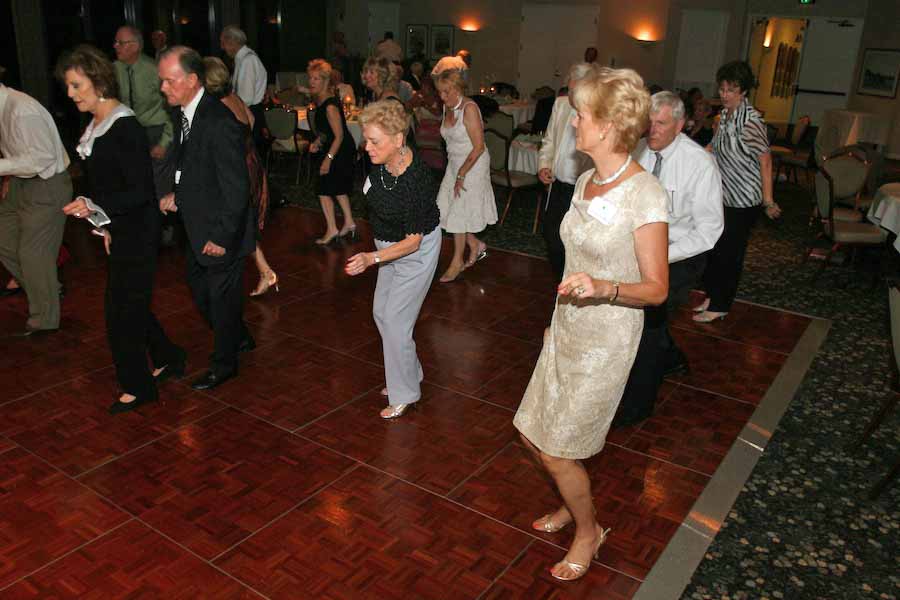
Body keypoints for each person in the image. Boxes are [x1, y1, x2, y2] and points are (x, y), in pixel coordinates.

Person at [513, 67, 668, 582]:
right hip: (567, 328)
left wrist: (606, 287)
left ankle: (588, 530)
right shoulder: (583, 180)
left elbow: (658, 288)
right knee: (534, 436)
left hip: (607, 339)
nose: (573, 121)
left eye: (581, 114)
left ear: (606, 126)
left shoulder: (645, 194)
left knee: (558, 447)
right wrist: (554, 325)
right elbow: (572, 260)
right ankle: (571, 501)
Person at [58, 44, 185, 413]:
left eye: (76, 85)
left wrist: (94, 207)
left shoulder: (123, 126)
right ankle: (169, 356)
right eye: (68, 86)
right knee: (132, 303)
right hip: (123, 226)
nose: (70, 94)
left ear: (98, 82)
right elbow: (109, 185)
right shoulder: (99, 122)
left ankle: (139, 386)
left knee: (120, 312)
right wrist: (103, 222)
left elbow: (139, 190)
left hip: (139, 228)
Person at [615, 91, 723, 426]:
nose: (653, 130)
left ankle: (635, 409)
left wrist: (662, 255)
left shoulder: (699, 164)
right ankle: (671, 355)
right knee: (634, 322)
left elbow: (709, 231)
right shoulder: (640, 153)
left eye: (661, 123)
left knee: (646, 328)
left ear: (680, 125)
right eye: (649, 122)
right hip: (638, 250)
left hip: (680, 256)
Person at [157, 46, 256, 391]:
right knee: (202, 292)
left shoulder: (218, 122)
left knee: (219, 297)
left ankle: (224, 365)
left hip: (220, 232)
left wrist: (222, 237)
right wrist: (178, 195)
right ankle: (239, 336)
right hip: (199, 225)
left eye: (169, 81)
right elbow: (195, 168)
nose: (163, 88)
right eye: (162, 81)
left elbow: (237, 188)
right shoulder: (186, 114)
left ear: (193, 80)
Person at [346, 100, 441, 419]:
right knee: (381, 313)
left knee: (397, 321)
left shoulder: (418, 179)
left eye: (375, 141)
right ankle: (409, 372)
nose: (367, 146)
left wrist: (371, 258)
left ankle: (405, 393)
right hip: (386, 248)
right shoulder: (380, 163)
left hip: (415, 251)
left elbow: (413, 242)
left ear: (399, 139)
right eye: (366, 139)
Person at [693, 61, 780, 322]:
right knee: (714, 249)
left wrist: (768, 200)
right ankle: (713, 294)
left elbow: (765, 160)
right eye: (722, 89)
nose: (724, 94)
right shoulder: (726, 116)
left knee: (730, 254)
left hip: (744, 200)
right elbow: (713, 148)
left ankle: (720, 305)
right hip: (724, 194)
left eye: (731, 90)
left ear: (743, 91)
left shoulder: (750, 122)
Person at [0, 67, 72, 336]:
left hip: (46, 184)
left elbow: (41, 159)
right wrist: (9, 177)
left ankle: (45, 320)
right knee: (5, 238)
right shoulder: (4, 108)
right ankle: (47, 288)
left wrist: (3, 169)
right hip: (21, 182)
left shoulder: (22, 110)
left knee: (33, 254)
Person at [202, 56, 277, 297]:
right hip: (251, 162)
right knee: (246, 221)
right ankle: (265, 271)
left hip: (238, 168)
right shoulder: (234, 97)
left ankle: (263, 272)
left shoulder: (216, 107)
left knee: (242, 222)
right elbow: (252, 121)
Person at [434, 69, 496, 283]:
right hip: (455, 163)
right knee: (445, 209)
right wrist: (455, 170)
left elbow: (478, 147)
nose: (442, 97)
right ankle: (475, 244)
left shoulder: (469, 109)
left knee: (458, 212)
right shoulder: (446, 107)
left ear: (458, 88)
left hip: (473, 164)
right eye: (440, 92)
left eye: (446, 92)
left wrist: (461, 174)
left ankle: (456, 262)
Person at [538, 62, 596, 282]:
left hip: (583, 190)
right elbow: (549, 140)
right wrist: (544, 164)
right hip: (558, 185)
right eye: (569, 89)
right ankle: (561, 279)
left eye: (576, 91)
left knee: (577, 240)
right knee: (551, 234)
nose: (571, 95)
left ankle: (574, 280)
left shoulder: (598, 111)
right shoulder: (561, 105)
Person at [113, 25, 174, 200]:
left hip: (157, 130)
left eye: (120, 42)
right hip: (131, 132)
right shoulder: (114, 70)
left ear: (135, 46)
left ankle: (165, 223)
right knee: (136, 181)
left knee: (159, 184)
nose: (115, 46)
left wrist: (164, 142)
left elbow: (172, 108)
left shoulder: (154, 70)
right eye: (115, 42)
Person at [307, 59, 357, 246]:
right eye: (310, 78)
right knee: (337, 187)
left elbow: (339, 135)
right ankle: (350, 223)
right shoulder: (322, 101)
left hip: (339, 150)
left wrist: (328, 159)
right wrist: (317, 142)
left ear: (326, 81)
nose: (312, 82)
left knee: (323, 188)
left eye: (316, 79)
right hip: (336, 148)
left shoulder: (329, 105)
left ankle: (332, 229)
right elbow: (327, 132)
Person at [219, 25, 267, 149]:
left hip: (250, 112)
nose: (222, 47)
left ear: (232, 42)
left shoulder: (248, 61)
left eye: (223, 43)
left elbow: (246, 98)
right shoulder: (244, 59)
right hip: (249, 111)